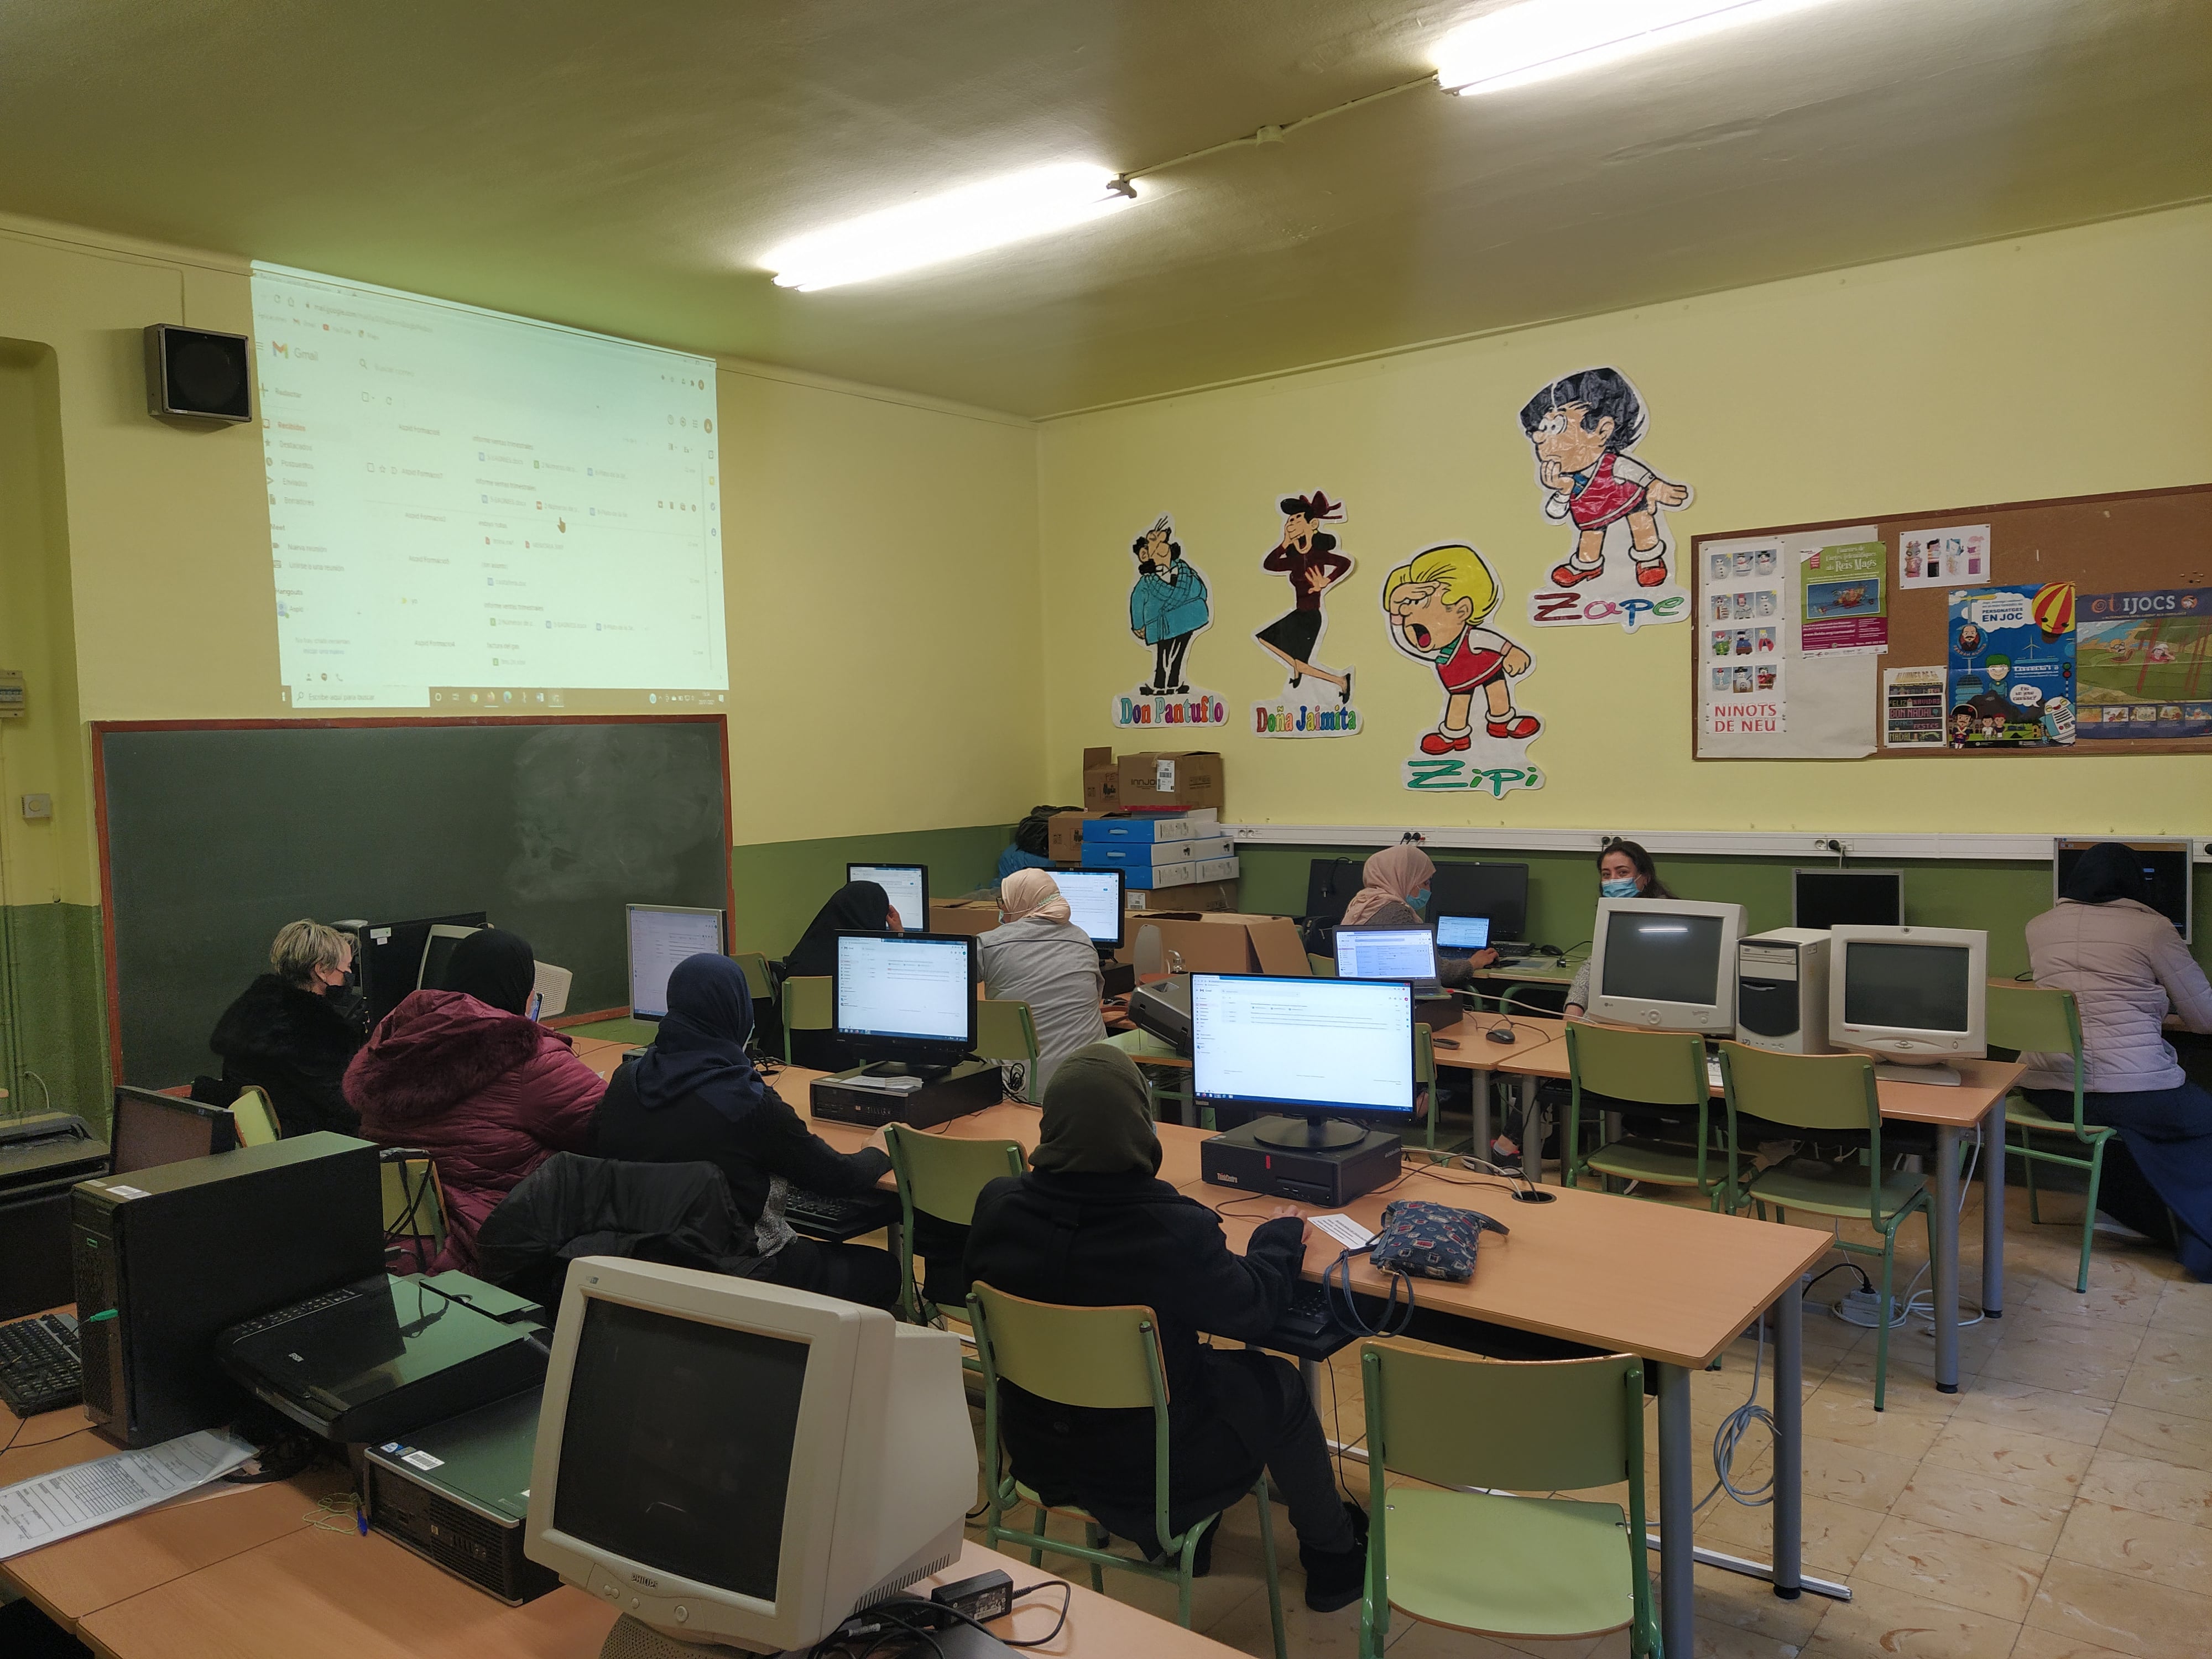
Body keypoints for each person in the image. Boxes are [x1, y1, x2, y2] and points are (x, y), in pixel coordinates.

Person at [964, 1045, 1368, 1611]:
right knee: (1277, 1383)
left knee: (1183, 1371)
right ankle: (1334, 1560)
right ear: (1139, 1124)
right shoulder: (1171, 1229)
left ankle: (1185, 1544)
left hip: (1037, 1455)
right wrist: (1276, 1241)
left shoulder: (997, 1205)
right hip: (1150, 1470)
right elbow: (1253, 1310)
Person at [593, 953, 900, 1308]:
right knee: (883, 1271)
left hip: (643, 1266)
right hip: (741, 1274)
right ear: (737, 1012)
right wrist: (880, 1151)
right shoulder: (747, 1102)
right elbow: (838, 1178)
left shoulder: (625, 1081)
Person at [344, 927, 604, 1272]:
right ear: (524, 992)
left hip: (397, 1242)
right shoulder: (530, 1059)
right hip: (486, 1245)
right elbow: (614, 1128)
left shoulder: (394, 1042)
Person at [2017, 842, 2212, 1280]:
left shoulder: (2039, 927)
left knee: (2128, 1123)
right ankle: (2193, 1237)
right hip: (2128, 1093)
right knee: (2199, 1118)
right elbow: (2204, 1019)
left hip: (2050, 1089)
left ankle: (2130, 1210)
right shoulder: (2154, 928)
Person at [208, 919, 367, 1137]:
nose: (348, 975)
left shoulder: (258, 1007)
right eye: (345, 968)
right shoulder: (307, 1026)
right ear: (321, 970)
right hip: (308, 1139)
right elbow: (343, 1103)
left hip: (272, 1135)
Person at [979, 869, 1107, 1097]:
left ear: (1020, 902)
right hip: (1094, 1084)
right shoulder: (1084, 941)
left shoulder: (989, 945)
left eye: (1004, 902)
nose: (1002, 910)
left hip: (1021, 1091)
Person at [781, 880, 901, 1070]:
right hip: (858, 1061)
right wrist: (899, 938)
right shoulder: (875, 965)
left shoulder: (802, 955)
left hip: (796, 1059)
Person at [1338, 844, 1496, 982]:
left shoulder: (1362, 903)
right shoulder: (1396, 912)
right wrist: (1473, 963)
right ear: (1404, 879)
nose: (1428, 889)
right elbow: (1439, 973)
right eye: (1425, 882)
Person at [1254, 491, 1353, 703]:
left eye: (1297, 518)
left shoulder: (1318, 554)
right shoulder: (1295, 558)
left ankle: (1340, 681)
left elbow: (1345, 563)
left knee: (1301, 661)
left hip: (1310, 617)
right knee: (1265, 638)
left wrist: (1327, 580)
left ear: (1313, 524)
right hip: (1299, 614)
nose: (1291, 522)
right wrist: (1285, 542)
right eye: (1290, 519)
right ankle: (1297, 669)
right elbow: (1269, 564)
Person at [1563, 838, 1674, 1019]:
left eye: (1622, 873)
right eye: (1606, 875)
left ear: (1645, 878)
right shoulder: (1613, 915)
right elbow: (1597, 962)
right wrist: (1575, 1004)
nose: (1613, 881)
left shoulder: (1666, 916)